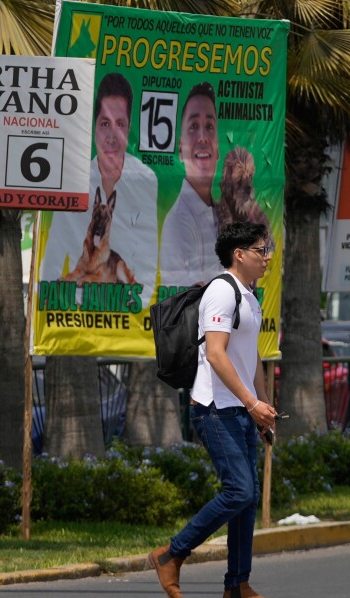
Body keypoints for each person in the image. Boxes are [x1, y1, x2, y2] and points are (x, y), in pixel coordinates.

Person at [149, 221, 276, 598]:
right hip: (215, 409)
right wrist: (252, 403)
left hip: (241, 409)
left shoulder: (249, 295)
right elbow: (217, 356)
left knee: (248, 497)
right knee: (238, 490)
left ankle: (236, 584)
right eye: (260, 250)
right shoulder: (221, 292)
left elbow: (250, 356)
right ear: (240, 255)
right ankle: (171, 554)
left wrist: (263, 406)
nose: (267, 257)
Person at [39, 72, 158, 302]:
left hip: (127, 317)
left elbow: (149, 268)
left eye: (120, 124)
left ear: (129, 128)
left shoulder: (146, 180)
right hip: (75, 316)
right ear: (94, 127)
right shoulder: (72, 179)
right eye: (105, 123)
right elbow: (51, 260)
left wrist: (129, 309)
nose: (111, 136)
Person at [160, 82, 223, 287]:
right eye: (194, 127)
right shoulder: (178, 222)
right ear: (180, 148)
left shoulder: (221, 214)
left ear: (218, 148)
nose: (203, 137)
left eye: (210, 127)